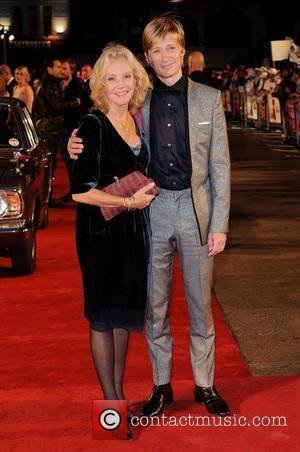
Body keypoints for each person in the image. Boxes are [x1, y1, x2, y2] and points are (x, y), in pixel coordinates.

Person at [68, 16, 231, 418]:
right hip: (150, 209)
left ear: (183, 49)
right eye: (155, 50)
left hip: (195, 212)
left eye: (170, 47)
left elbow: (220, 166)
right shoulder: (137, 101)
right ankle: (161, 386)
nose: (164, 56)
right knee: (154, 308)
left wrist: (220, 224)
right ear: (148, 56)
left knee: (200, 307)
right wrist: (67, 143)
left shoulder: (210, 99)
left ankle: (205, 383)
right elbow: (101, 124)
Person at [70, 43, 155, 436]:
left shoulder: (136, 120)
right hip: (101, 234)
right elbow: (80, 191)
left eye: (127, 76)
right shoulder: (92, 124)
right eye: (112, 77)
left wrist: (135, 203)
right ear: (100, 84)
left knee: (121, 319)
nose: (121, 84)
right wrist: (127, 200)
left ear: (137, 80)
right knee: (104, 319)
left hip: (132, 233)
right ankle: (111, 411)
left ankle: (119, 399)